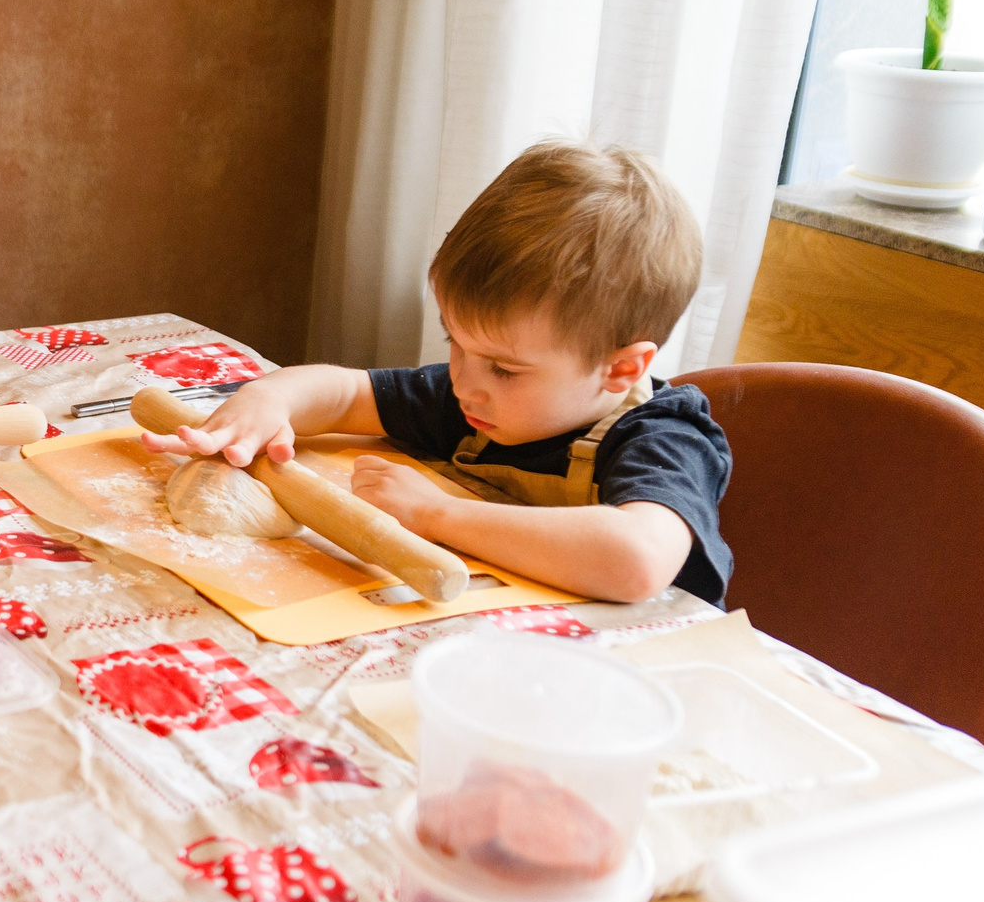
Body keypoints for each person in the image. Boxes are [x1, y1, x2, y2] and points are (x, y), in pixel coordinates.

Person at [154, 141, 732, 606]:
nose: (464, 383)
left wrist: (435, 513)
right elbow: (347, 393)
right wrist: (269, 398)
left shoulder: (662, 438)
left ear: (621, 369)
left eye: (504, 368)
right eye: (456, 343)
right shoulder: (477, 397)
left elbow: (635, 561)